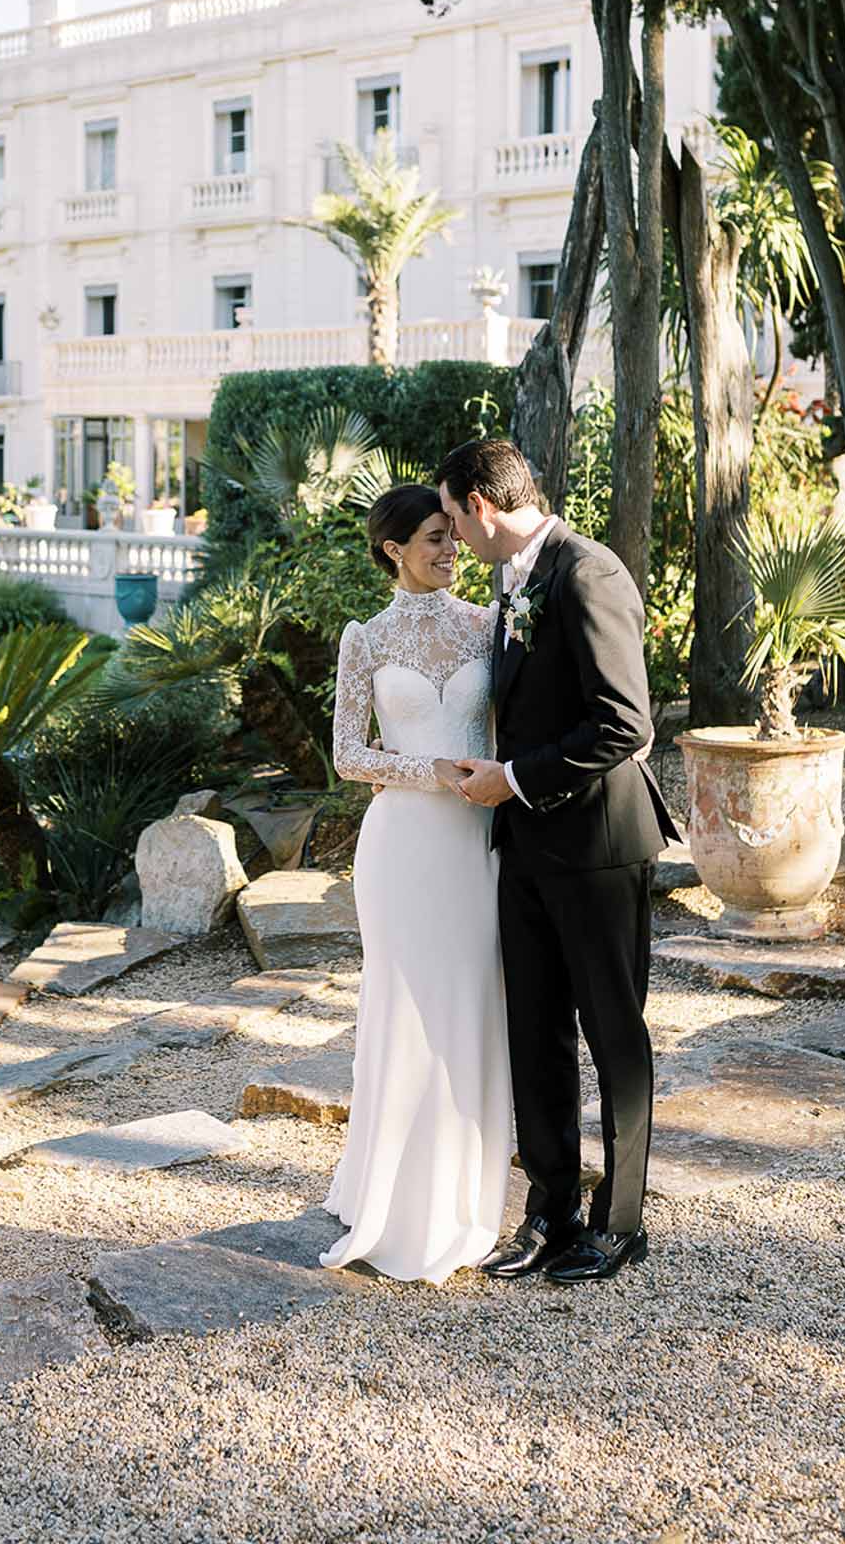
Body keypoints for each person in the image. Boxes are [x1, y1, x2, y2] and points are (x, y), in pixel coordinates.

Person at [437, 437, 678, 1285]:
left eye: (456, 519)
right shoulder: (516, 577)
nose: (455, 537)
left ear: (482, 504)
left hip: (599, 846)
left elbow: (626, 724)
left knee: (613, 1032)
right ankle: (548, 1211)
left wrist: (512, 777)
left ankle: (620, 1222)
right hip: (527, 845)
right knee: (533, 1032)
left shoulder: (588, 573)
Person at [320, 483, 513, 1284]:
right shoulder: (364, 638)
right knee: (401, 1008)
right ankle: (388, 1193)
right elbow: (346, 753)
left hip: (476, 844)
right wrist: (426, 770)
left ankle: (466, 1193)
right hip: (400, 845)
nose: (448, 549)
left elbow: (508, 734)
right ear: (394, 549)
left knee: (470, 1004)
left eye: (452, 536)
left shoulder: (490, 626)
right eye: (433, 538)